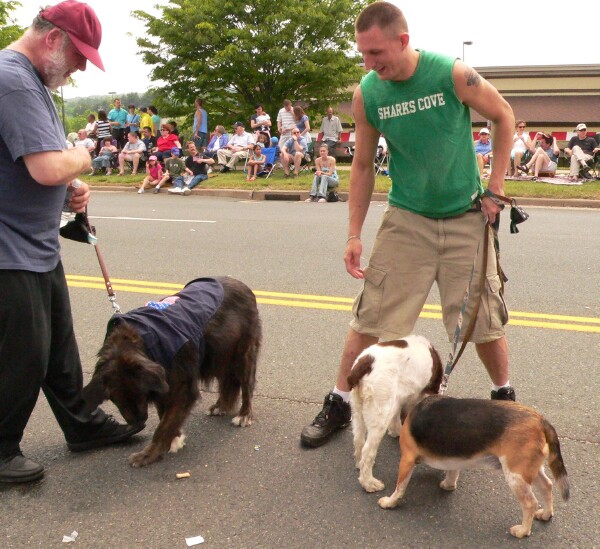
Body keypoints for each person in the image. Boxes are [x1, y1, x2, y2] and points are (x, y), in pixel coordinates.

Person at [300, 2, 516, 448]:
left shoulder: (451, 74)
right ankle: (339, 401)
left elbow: (503, 116)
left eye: (376, 53)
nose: (369, 63)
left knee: (483, 320)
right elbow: (361, 166)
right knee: (370, 316)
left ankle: (506, 401)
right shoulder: (368, 94)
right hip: (407, 218)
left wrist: (495, 187)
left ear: (402, 41)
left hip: (465, 218)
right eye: (362, 54)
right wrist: (354, 233)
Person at [0, 0, 142, 484]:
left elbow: (34, 167)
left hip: (33, 242)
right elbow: (46, 165)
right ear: (52, 38)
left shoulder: (30, 82)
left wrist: (68, 188)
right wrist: (81, 157)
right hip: (8, 248)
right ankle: (0, 451)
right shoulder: (13, 79)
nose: (81, 66)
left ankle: (83, 425)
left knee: (59, 347)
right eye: (79, 54)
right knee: (25, 352)